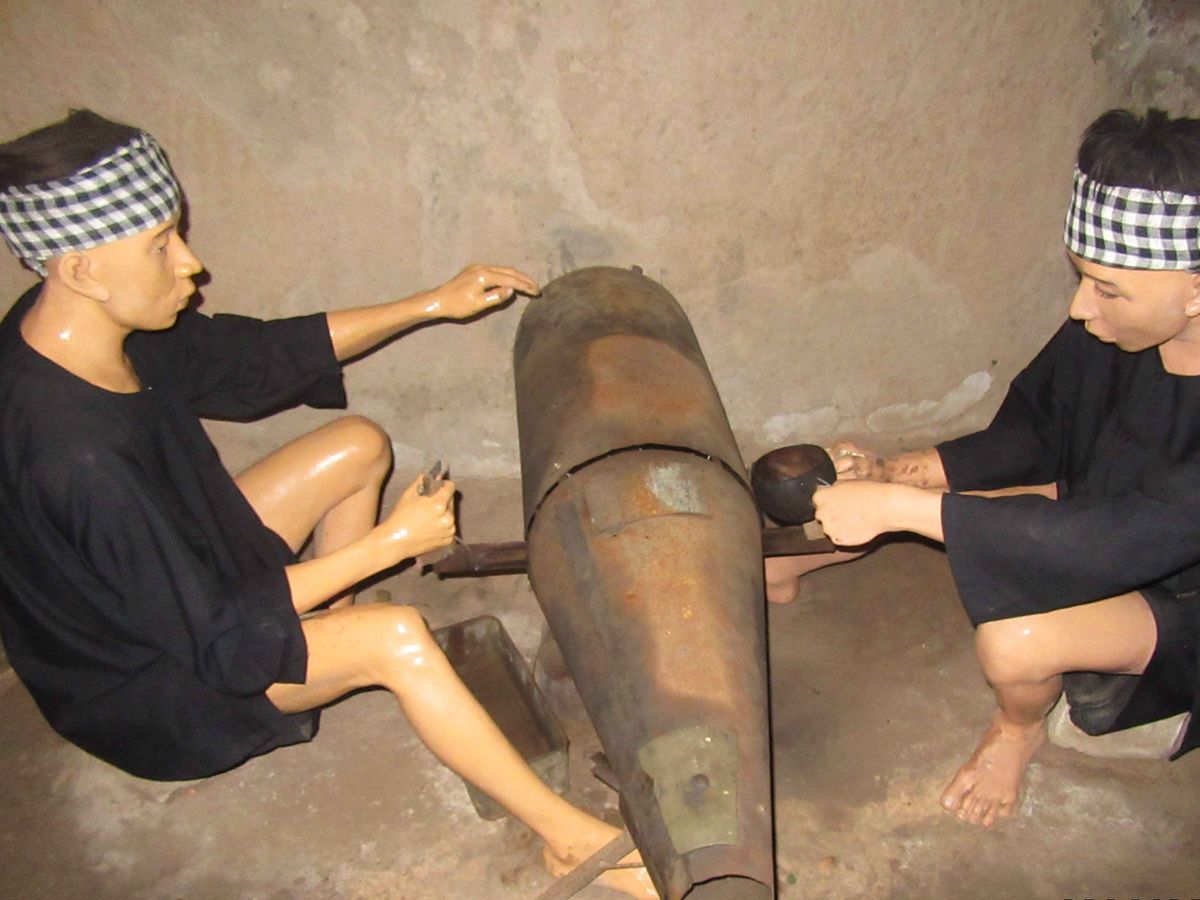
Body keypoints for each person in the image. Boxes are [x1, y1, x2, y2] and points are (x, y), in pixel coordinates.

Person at [0, 109, 654, 897]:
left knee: (357, 445)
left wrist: (431, 303)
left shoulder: (74, 325)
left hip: (183, 578)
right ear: (81, 269)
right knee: (398, 638)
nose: (191, 264)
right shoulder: (76, 457)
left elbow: (254, 356)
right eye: (161, 245)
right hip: (156, 686)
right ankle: (569, 842)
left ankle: (324, 633)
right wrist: (388, 545)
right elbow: (215, 635)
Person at [767, 107, 1200, 830]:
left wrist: (904, 508)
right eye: (1083, 279)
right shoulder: (1115, 329)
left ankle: (1018, 730)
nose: (1080, 307)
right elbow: (1036, 428)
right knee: (921, 499)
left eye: (1107, 289)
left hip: (1180, 587)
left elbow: (1115, 540)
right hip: (1104, 512)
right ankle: (785, 565)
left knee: (1016, 640)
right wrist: (898, 471)